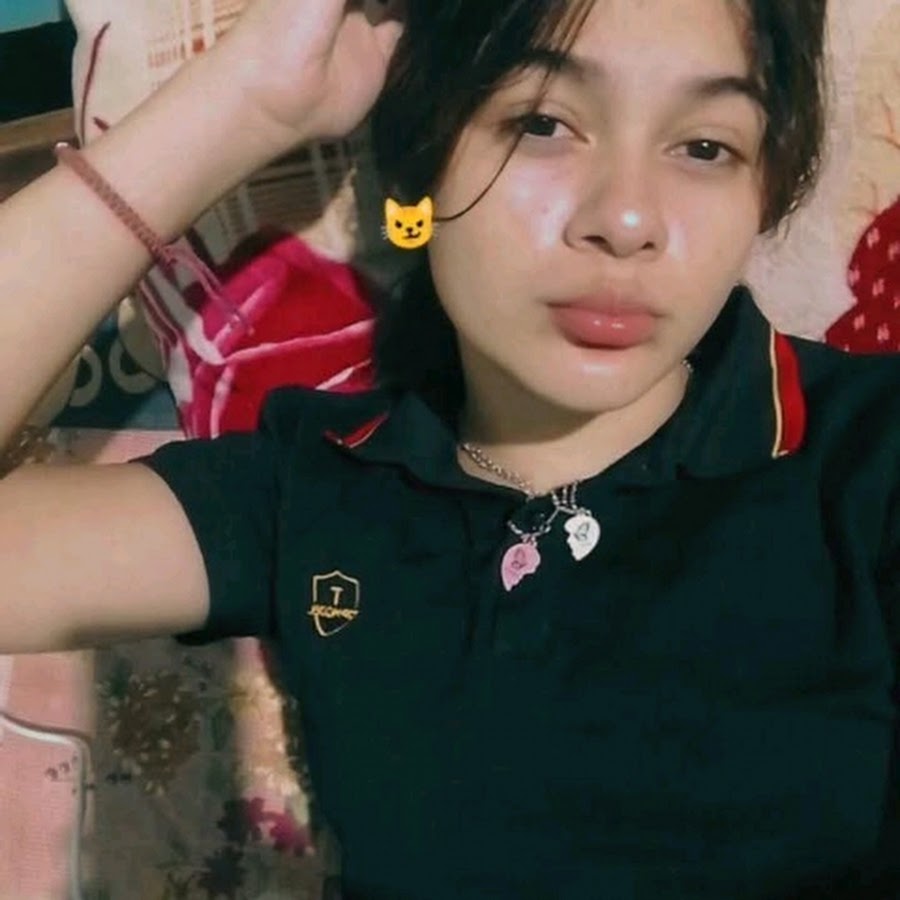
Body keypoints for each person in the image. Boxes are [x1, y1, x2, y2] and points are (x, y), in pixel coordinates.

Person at [1, 0, 898, 896]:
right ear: (423, 159)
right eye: (542, 123)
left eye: (705, 146)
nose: (627, 220)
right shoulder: (326, 482)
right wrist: (248, 102)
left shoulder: (868, 455)